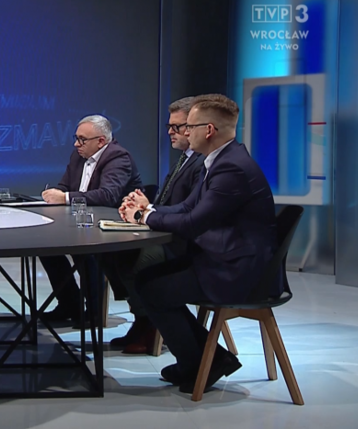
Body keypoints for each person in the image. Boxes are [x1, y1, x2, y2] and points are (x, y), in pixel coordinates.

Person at [120, 94, 278, 393]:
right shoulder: (218, 161)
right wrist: (148, 210)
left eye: (189, 127)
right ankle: (206, 359)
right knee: (146, 280)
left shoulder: (232, 168)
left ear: (208, 130)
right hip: (224, 259)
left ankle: (203, 362)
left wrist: (142, 217)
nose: (184, 132)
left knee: (153, 288)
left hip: (239, 271)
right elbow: (186, 208)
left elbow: (194, 223)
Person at [106, 97, 205, 354]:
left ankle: (150, 324)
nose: (170, 132)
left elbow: (190, 211)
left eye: (177, 126)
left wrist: (146, 212)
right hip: (168, 232)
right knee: (111, 254)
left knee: (138, 260)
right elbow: (172, 203)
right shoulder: (184, 159)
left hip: (185, 244)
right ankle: (142, 319)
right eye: (169, 126)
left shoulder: (202, 163)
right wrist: (145, 205)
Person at [40, 115, 143, 326]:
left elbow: (108, 196)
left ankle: (95, 312)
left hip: (112, 225)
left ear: (101, 141)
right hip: (80, 221)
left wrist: (64, 197)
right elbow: (65, 186)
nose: (76, 144)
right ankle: (70, 304)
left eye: (82, 140)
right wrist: (54, 194)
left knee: (85, 250)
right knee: (46, 248)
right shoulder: (78, 156)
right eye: (76, 138)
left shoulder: (118, 157)